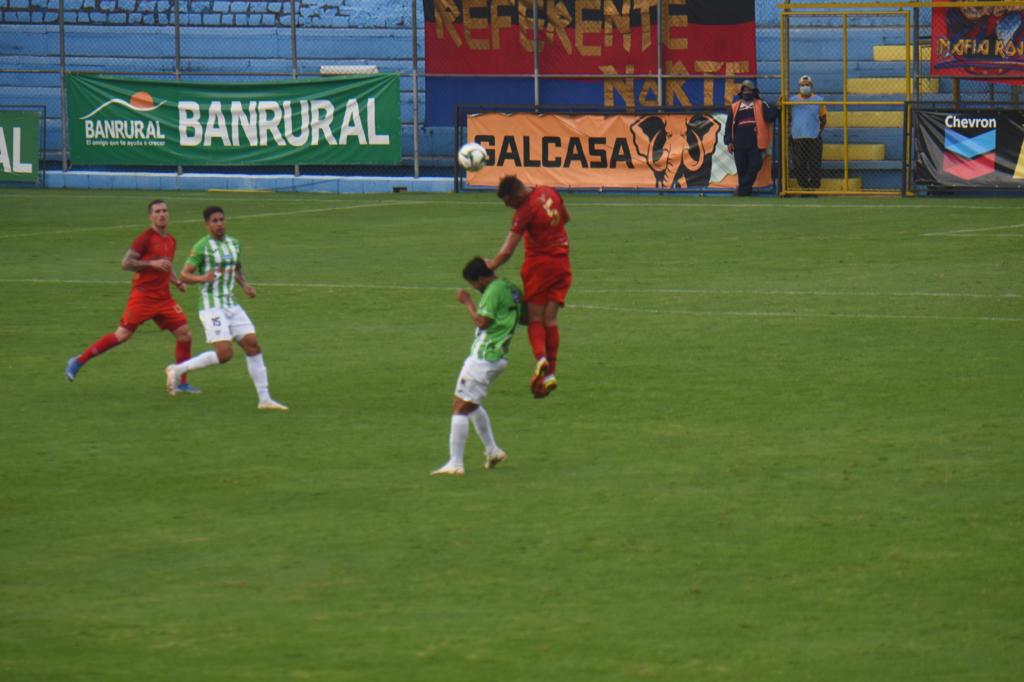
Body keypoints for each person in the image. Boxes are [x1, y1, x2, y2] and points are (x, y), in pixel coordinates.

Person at [65, 199, 197, 391]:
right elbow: (125, 263)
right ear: (150, 216)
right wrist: (150, 264)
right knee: (122, 335)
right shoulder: (145, 238)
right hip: (143, 297)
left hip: (164, 298)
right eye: (158, 211)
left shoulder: (171, 240)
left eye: (165, 211)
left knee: (185, 335)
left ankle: (182, 383)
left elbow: (165, 265)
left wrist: (176, 282)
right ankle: (78, 361)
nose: (162, 214)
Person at [164, 206, 287, 411]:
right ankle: (177, 370)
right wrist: (204, 277)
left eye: (222, 219)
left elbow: (236, 268)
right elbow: (185, 275)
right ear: (207, 225)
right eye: (214, 221)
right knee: (225, 354)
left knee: (253, 345)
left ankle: (264, 399)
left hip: (231, 304)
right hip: (212, 307)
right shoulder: (202, 247)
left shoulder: (234, 244)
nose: (219, 224)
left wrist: (245, 285)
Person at [431, 258, 521, 476]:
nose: (475, 288)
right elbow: (522, 314)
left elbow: (483, 322)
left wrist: (468, 302)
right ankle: (492, 450)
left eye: (474, 284)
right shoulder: (510, 287)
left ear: (480, 279)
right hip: (498, 356)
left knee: (459, 406)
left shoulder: (492, 290)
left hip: (484, 357)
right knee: (471, 403)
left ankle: (456, 463)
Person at [487, 175, 571, 399]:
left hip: (539, 266)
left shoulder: (525, 210)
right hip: (562, 264)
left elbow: (508, 250)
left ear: (516, 195)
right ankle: (550, 374)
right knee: (550, 319)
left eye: (507, 202)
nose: (508, 206)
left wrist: (491, 265)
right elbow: (566, 217)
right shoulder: (549, 191)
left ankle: (540, 358)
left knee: (535, 318)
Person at [724, 80, 778, 197]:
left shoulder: (760, 103)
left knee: (755, 165)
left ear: (754, 92)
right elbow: (728, 126)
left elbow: (770, 117)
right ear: (741, 92)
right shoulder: (734, 106)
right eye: (745, 90)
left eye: (749, 90)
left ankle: (742, 189)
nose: (747, 92)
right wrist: (728, 141)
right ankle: (745, 192)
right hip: (739, 143)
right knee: (741, 169)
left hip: (755, 142)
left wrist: (776, 107)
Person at [788, 75, 827, 192]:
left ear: (811, 86)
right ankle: (804, 187)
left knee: (815, 164)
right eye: (802, 85)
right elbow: (788, 117)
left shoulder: (819, 100)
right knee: (799, 165)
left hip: (813, 136)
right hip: (797, 137)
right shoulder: (791, 101)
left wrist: (817, 131)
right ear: (799, 87)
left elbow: (823, 118)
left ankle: (814, 187)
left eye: (807, 85)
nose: (805, 87)